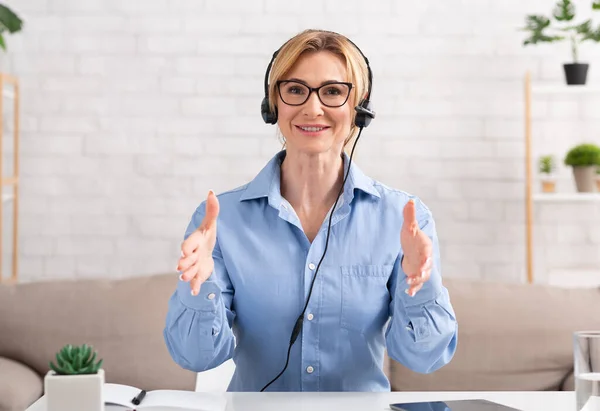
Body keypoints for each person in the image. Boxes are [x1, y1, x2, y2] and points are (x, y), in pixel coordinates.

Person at [163, 29, 457, 392]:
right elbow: (195, 358)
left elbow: (424, 358)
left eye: (333, 91)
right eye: (296, 89)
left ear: (359, 108)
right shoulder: (220, 220)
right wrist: (200, 285)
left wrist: (420, 285)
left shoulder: (403, 219)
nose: (312, 107)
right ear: (274, 104)